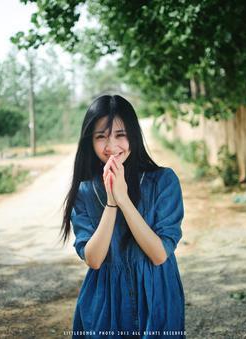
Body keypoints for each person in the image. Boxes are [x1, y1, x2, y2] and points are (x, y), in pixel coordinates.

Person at [61, 95, 185, 338]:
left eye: (120, 135)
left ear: (134, 135)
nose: (111, 146)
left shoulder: (163, 181)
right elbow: (94, 259)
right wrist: (111, 201)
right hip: (105, 302)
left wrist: (124, 198)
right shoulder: (85, 191)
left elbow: (159, 254)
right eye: (101, 137)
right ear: (90, 142)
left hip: (156, 294)